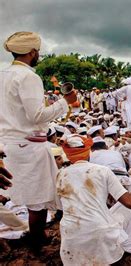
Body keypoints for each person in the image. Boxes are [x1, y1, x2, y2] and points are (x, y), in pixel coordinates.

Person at [0, 31, 77, 251]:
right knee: (39, 199)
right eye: (38, 51)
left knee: (6, 193)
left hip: (6, 146)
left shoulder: (2, 74)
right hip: (29, 147)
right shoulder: (28, 77)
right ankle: (37, 239)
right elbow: (37, 116)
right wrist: (65, 102)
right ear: (32, 52)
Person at [57, 135, 131, 265]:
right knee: (130, 207)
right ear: (88, 152)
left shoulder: (60, 174)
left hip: (70, 235)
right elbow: (130, 202)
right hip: (99, 230)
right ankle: (130, 245)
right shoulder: (102, 171)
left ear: (68, 155)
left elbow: (60, 206)